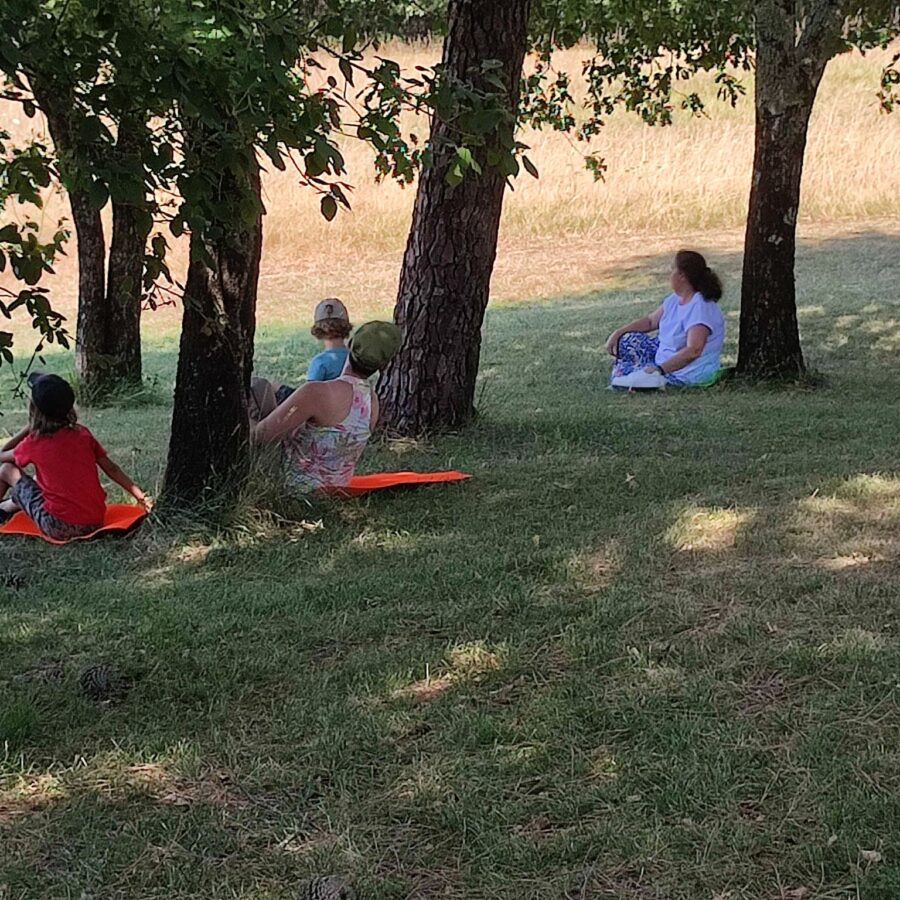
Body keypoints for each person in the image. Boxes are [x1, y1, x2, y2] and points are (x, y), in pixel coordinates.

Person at [250, 321, 402, 494]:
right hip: (336, 489)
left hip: (291, 488)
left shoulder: (317, 392)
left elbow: (260, 436)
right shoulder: (372, 402)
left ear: (350, 344)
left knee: (258, 387)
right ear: (383, 365)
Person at [0, 373, 150, 540]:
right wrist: (141, 496)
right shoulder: (83, 435)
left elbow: (2, 456)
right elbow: (112, 469)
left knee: (7, 470)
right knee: (38, 480)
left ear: (35, 410)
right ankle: (5, 508)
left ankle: (4, 508)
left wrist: (29, 427)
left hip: (56, 525)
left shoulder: (34, 442)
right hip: (95, 521)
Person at [606, 250, 725, 389]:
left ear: (682, 275)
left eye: (672, 269)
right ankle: (639, 377)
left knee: (625, 376)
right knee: (627, 341)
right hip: (663, 359)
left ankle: (645, 378)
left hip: (684, 373)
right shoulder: (674, 300)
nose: (669, 275)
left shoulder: (700, 306)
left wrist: (659, 370)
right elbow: (651, 321)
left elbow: (694, 350)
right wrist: (618, 333)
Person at [272, 298, 352, 405]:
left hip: (323, 411)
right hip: (348, 408)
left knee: (272, 386)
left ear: (318, 330)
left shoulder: (320, 362)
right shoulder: (353, 357)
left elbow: (309, 395)